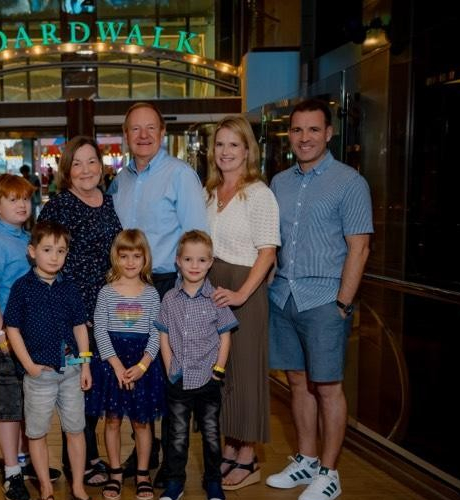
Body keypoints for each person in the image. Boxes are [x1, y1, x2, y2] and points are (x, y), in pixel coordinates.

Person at [265, 98, 372, 500]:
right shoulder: (280, 182)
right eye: (297, 130)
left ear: (329, 133)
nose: (304, 137)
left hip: (325, 299)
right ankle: (306, 460)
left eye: (313, 129)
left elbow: (358, 247)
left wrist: (342, 304)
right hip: (284, 297)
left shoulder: (349, 182)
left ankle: (330, 472)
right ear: (289, 135)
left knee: (328, 387)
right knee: (297, 382)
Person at [108, 101, 208, 483]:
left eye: (151, 128)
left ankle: (172, 467)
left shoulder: (180, 175)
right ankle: (144, 453)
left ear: (163, 133)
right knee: (140, 374)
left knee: (170, 379)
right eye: (136, 129)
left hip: (169, 284)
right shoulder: (122, 179)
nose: (144, 135)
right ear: (126, 135)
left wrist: (189, 292)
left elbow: (197, 236)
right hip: (132, 286)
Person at [38, 135, 122, 486]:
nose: (86, 169)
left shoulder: (110, 201)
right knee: (77, 387)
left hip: (108, 308)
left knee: (98, 384)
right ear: (66, 169)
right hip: (73, 309)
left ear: (101, 166)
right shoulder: (58, 207)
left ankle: (92, 454)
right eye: (78, 163)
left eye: (92, 161)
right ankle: (81, 461)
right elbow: (46, 261)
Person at [204, 116, 280, 490]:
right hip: (213, 288)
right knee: (223, 374)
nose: (226, 151)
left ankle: (248, 459)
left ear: (248, 149)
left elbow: (267, 252)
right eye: (220, 144)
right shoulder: (210, 191)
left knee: (246, 373)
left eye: (234, 144)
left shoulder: (258, 193)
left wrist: (241, 294)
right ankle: (230, 451)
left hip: (243, 289)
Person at [4, 221, 93, 500]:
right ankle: (45, 486)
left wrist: (86, 363)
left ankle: (77, 484)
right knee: (37, 431)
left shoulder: (69, 287)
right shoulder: (22, 288)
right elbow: (12, 328)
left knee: (76, 429)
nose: (54, 257)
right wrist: (28, 365)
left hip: (71, 371)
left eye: (61, 251)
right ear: (32, 251)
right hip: (38, 374)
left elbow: (80, 325)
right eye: (47, 249)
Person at [156, 230, 239, 500]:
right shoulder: (169, 298)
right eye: (189, 259)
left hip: (208, 379)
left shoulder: (216, 298)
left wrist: (219, 369)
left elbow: (225, 335)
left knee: (212, 435)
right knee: (177, 436)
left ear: (210, 262)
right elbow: (163, 333)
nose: (195, 266)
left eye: (201, 260)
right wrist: (170, 365)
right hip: (178, 378)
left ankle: (213, 481)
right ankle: (175, 483)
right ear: (178, 261)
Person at [91, 229, 164, 500]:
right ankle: (115, 472)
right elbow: (100, 331)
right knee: (111, 421)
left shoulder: (151, 293)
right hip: (113, 364)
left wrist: (143, 365)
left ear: (145, 258)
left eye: (136, 256)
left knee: (142, 423)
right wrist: (117, 366)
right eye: (124, 256)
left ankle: (143, 473)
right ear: (115, 258)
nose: (131, 262)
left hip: (142, 364)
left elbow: (157, 332)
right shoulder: (107, 292)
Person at [0, 174, 35, 500]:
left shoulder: (22, 237)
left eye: (24, 198)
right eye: (13, 199)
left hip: (27, 337)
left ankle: (25, 462)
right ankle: (12, 473)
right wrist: (1, 337)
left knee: (29, 404)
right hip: (6, 340)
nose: (21, 204)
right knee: (10, 406)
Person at [19, 164, 41, 229]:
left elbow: (38, 187)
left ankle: (33, 228)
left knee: (32, 214)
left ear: (28, 171)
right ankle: (26, 228)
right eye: (23, 173)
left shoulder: (34, 178)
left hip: (33, 199)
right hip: (24, 199)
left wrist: (30, 188)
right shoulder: (21, 179)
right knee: (25, 213)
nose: (24, 174)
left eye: (25, 172)